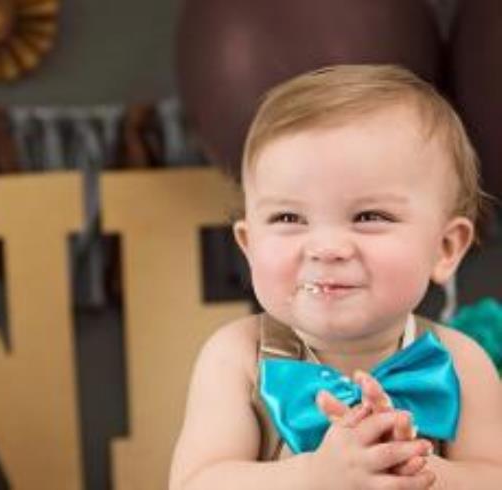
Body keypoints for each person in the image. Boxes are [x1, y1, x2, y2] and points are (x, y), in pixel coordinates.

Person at [169, 64, 502, 489]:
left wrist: (411, 467)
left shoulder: (460, 362)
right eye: (289, 217)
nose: (326, 248)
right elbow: (196, 482)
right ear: (249, 246)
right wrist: (315, 477)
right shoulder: (239, 357)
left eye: (369, 216)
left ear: (445, 248)